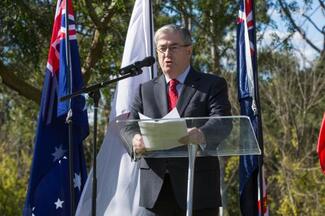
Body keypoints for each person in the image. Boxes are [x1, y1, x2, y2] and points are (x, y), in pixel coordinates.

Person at [124, 24, 232, 216]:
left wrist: (202, 134)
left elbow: (223, 120)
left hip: (198, 190)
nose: (167, 54)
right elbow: (129, 125)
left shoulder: (212, 84)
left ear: (188, 50)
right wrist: (134, 139)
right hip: (155, 192)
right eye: (162, 48)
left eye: (173, 47)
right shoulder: (145, 90)